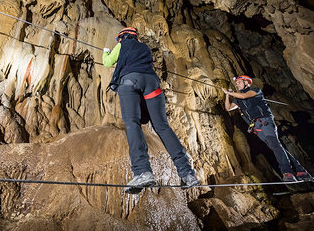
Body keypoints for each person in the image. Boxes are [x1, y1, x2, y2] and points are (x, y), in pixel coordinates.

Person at [103, 27, 200, 194]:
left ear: (122, 38)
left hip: (129, 81)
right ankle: (188, 173)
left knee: (132, 123)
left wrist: (106, 51)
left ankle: (142, 171)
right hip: (152, 84)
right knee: (162, 127)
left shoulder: (122, 45)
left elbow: (108, 62)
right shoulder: (144, 47)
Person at [222, 75, 312, 182]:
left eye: (239, 82)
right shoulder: (238, 99)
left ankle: (287, 172)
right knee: (276, 148)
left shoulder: (255, 90)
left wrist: (230, 93)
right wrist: (227, 95)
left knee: (275, 146)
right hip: (256, 127)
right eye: (236, 83)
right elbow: (228, 108)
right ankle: (301, 171)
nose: (237, 84)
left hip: (265, 122)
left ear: (247, 83)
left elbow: (245, 96)